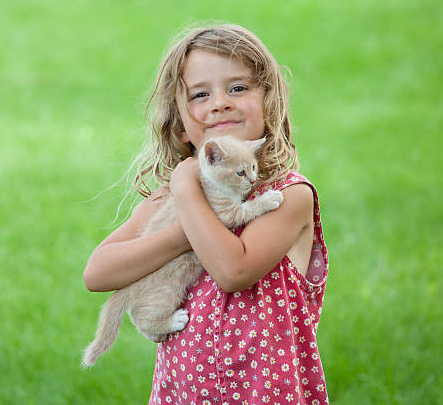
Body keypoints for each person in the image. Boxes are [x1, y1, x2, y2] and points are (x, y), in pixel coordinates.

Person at [83, 23, 329, 405]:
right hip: (187, 393)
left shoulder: (287, 195)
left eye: (238, 88)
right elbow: (98, 273)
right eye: (200, 94)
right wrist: (180, 208)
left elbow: (234, 272)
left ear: (268, 101)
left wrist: (186, 191)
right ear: (181, 126)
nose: (220, 103)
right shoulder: (169, 197)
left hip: (264, 392)